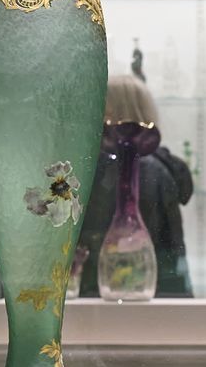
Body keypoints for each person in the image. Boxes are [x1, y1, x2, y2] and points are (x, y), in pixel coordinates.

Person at [73, 75, 195, 297]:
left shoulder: (118, 168)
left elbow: (97, 240)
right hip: (160, 297)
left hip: (112, 296)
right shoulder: (161, 168)